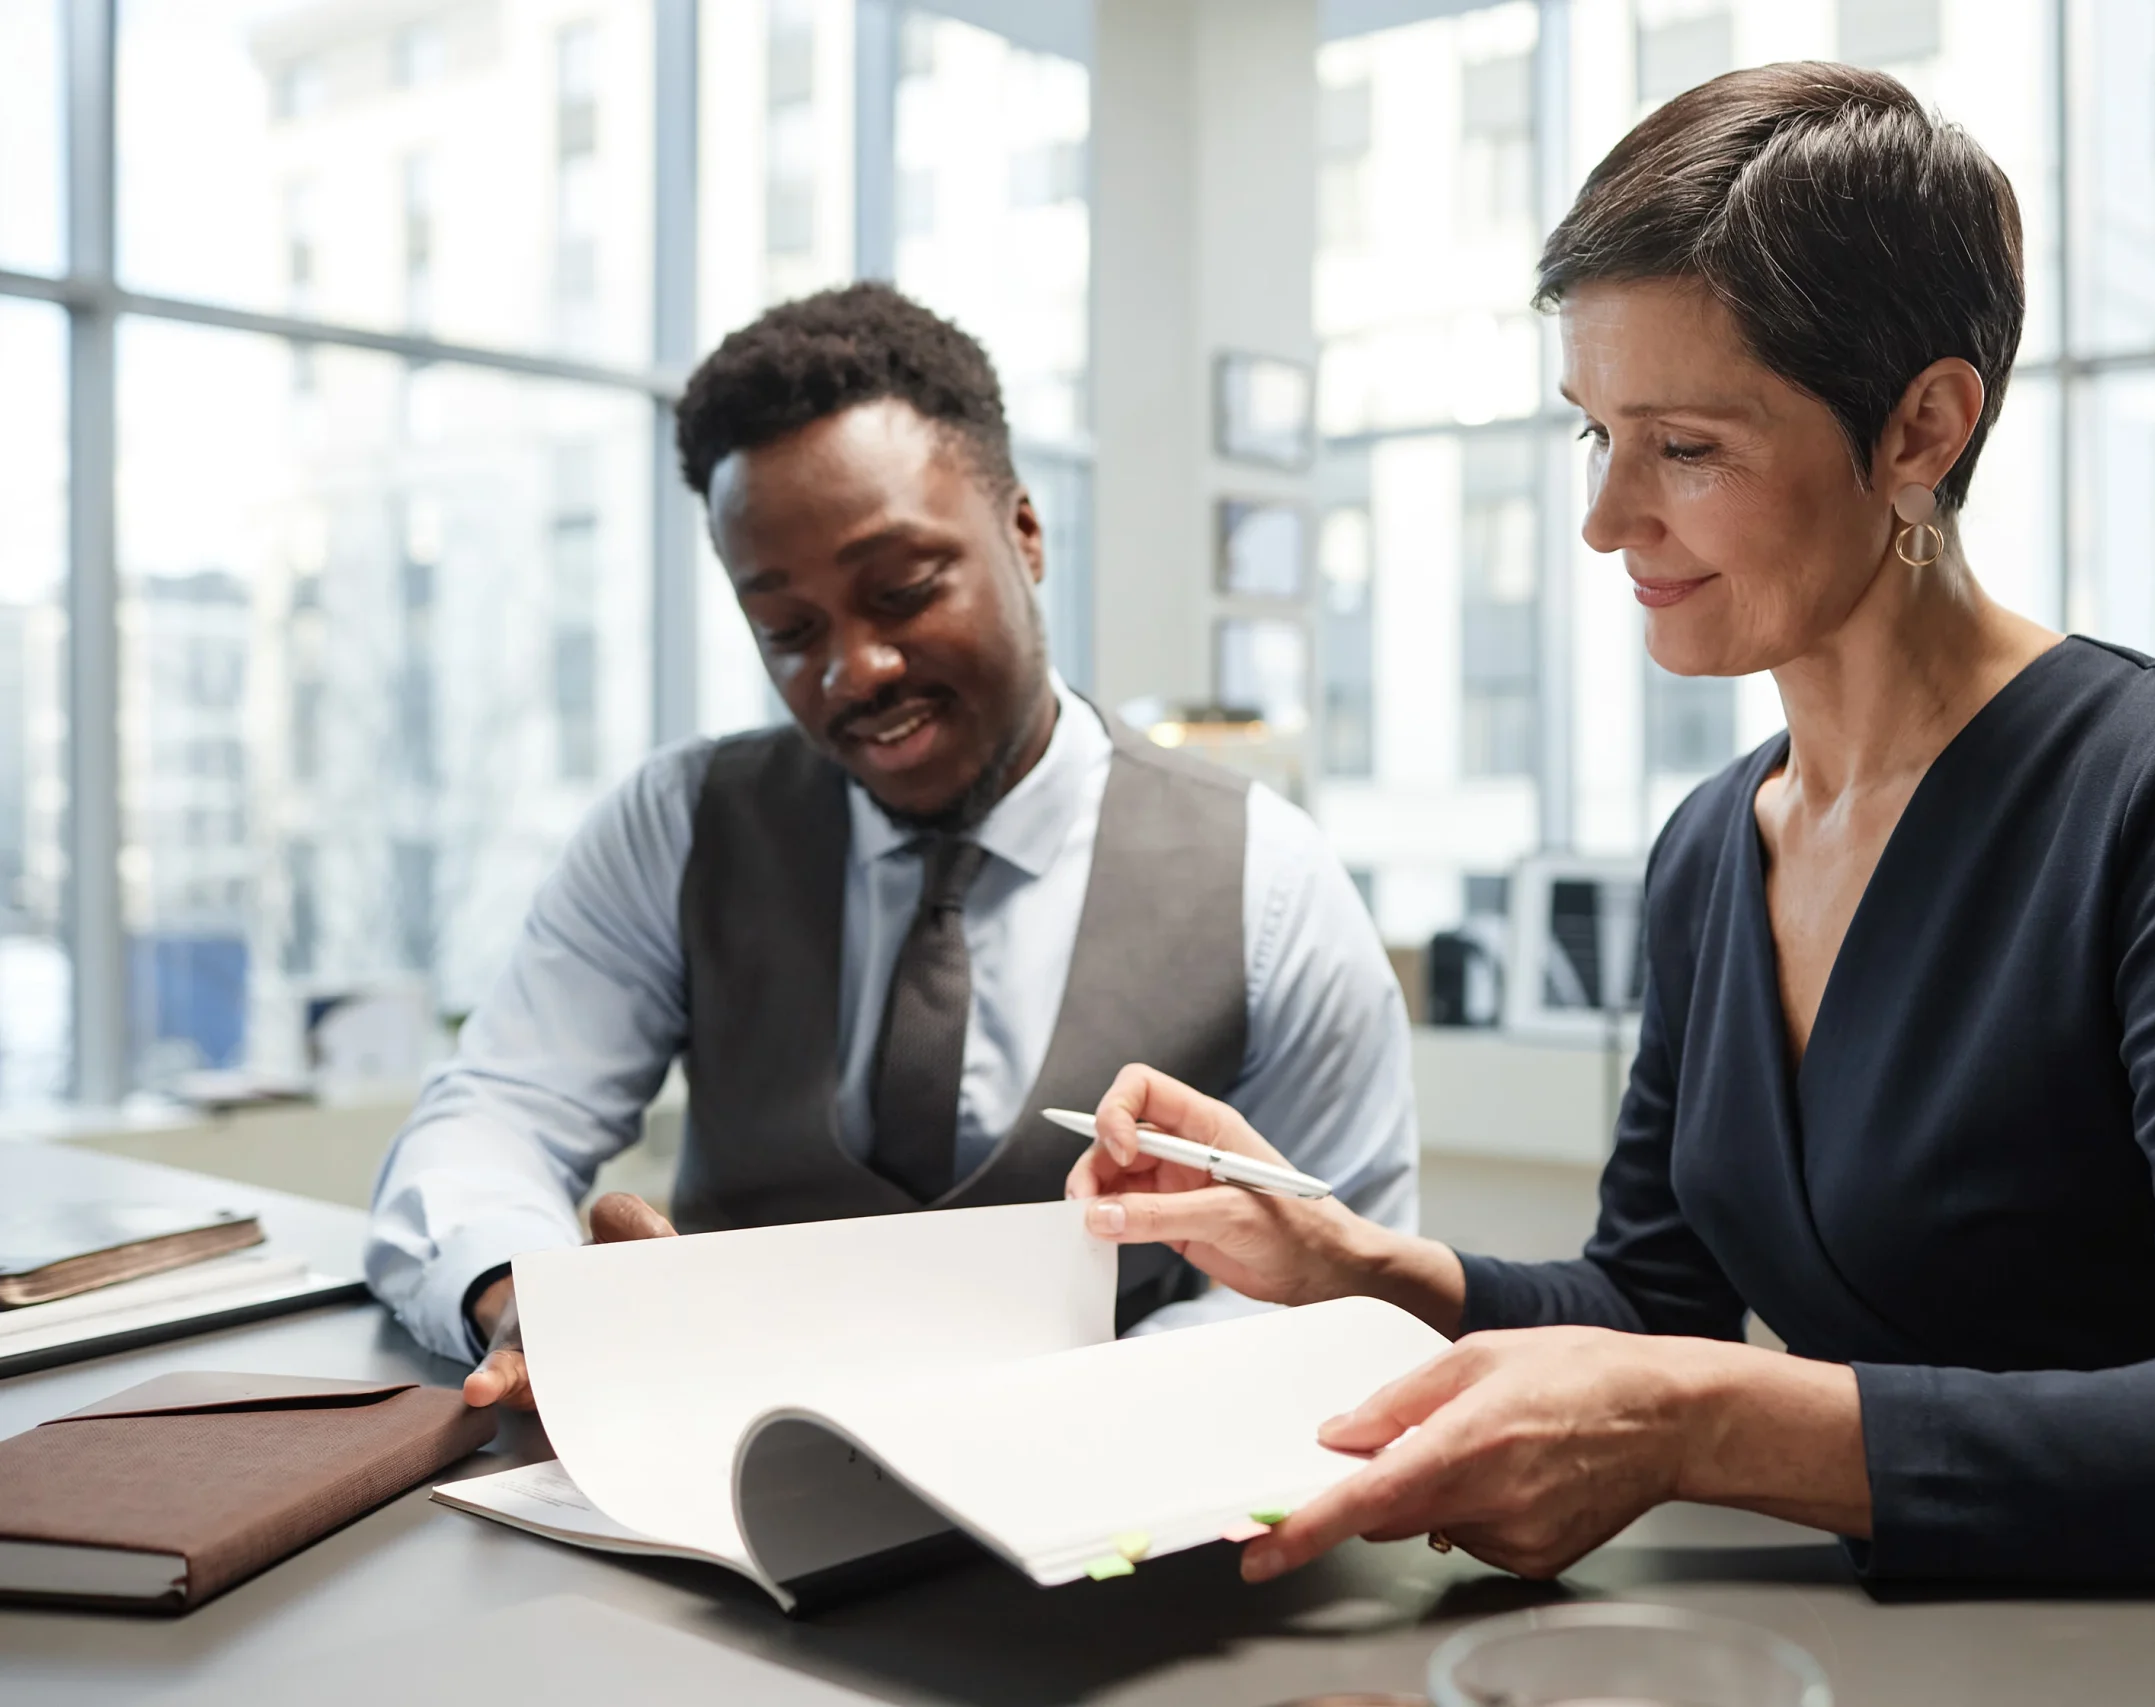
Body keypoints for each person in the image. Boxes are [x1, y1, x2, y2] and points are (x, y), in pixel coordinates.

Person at [1069, 63, 2155, 1602]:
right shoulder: (1716, 847)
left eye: (1689, 448)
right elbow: (1655, 1301)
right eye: (1594, 432)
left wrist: (1704, 1420)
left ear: (1922, 427)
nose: (1605, 518)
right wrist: (1354, 1261)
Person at [365, 284, 1418, 1408]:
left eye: (903, 591)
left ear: (1024, 532)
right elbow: (494, 1119)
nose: (852, 671)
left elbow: (1345, 1274)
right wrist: (532, 1297)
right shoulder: (675, 826)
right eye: (789, 630)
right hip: (719, 1500)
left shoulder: (1269, 879)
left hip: (1121, 1526)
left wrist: (1043, 1420)